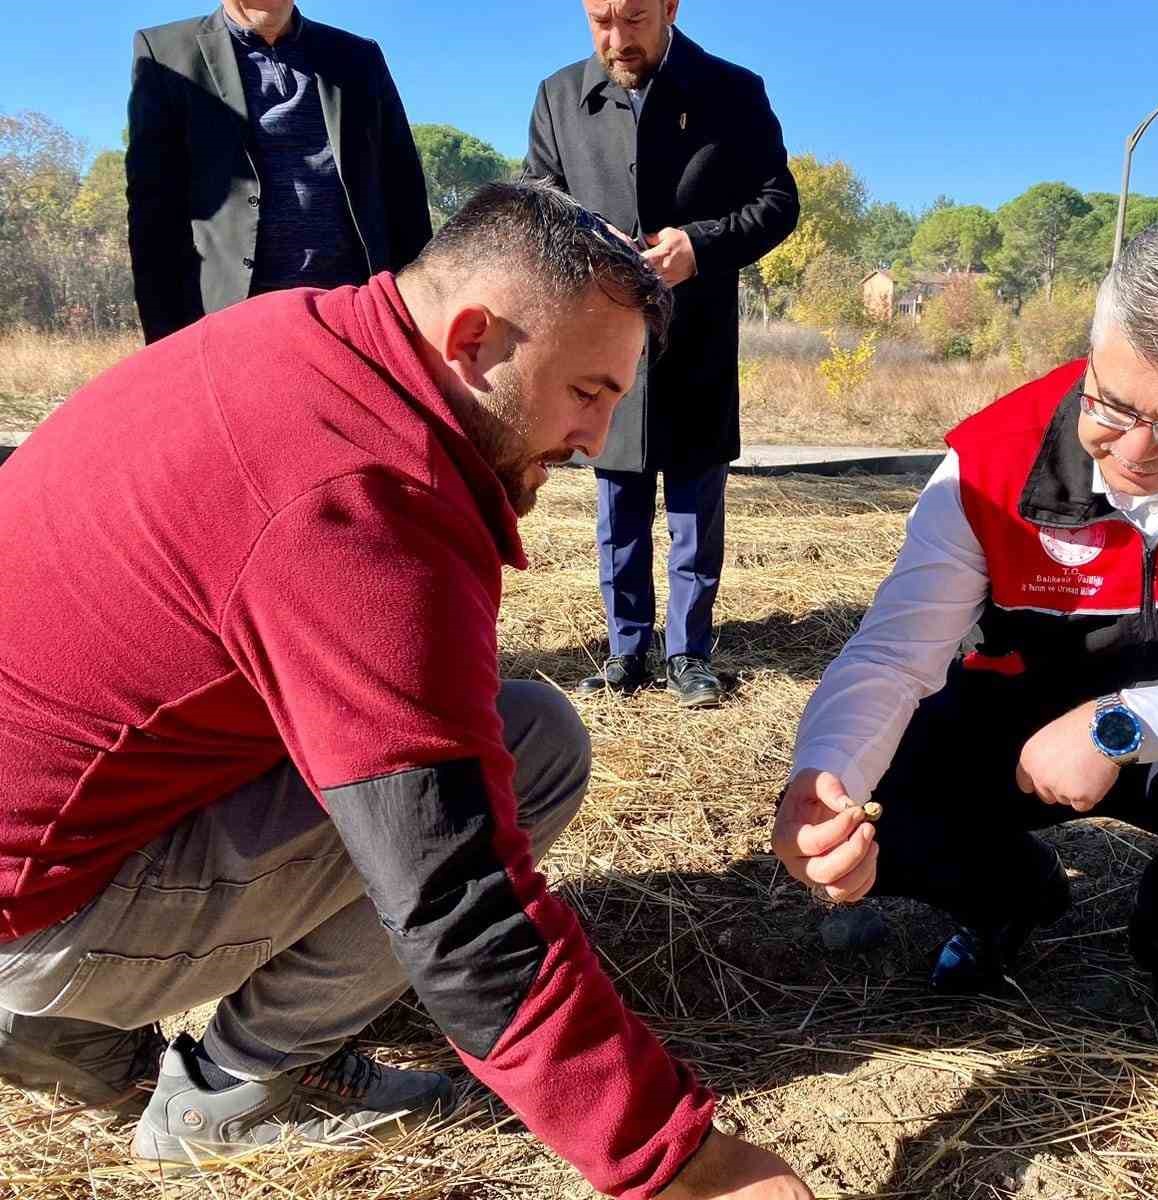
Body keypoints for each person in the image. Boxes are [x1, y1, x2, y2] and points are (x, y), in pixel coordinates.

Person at [0, 181, 812, 1200]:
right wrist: (682, 1165)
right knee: (534, 747)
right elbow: (458, 906)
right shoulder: (361, 500)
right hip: (38, 911)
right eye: (587, 392)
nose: (597, 439)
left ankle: (56, 1019)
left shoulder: (300, 339)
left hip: (45, 829)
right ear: (472, 338)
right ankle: (239, 1085)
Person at [772, 222, 1158, 1045]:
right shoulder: (991, 455)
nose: (1135, 452)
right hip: (1013, 727)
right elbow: (893, 653)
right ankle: (1008, 898)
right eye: (1113, 404)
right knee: (882, 792)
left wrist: (1124, 725)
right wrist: (822, 783)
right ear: (1094, 347)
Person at [525, 0, 800, 707]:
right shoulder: (558, 96)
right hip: (601, 341)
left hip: (697, 337)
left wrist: (699, 246)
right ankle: (625, 649)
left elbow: (777, 202)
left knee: (692, 503)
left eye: (635, 19)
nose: (616, 40)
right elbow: (538, 195)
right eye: (599, 21)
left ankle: (688, 653)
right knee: (616, 500)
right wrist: (588, 237)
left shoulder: (733, 91)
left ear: (671, 7)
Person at [127, 0, 432, 343]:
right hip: (232, 327)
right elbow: (152, 216)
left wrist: (419, 321)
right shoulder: (165, 54)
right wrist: (167, 346)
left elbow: (405, 197)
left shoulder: (359, 58)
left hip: (355, 320)